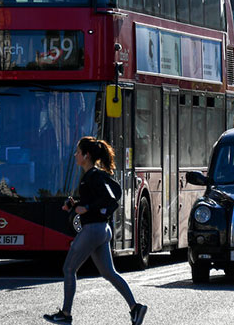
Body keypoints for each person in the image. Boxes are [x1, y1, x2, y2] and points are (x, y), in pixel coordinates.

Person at [44, 137, 147, 325]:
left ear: (86, 155)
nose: (75, 155)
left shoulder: (94, 176)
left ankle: (65, 314)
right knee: (109, 273)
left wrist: (88, 207)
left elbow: (111, 198)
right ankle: (135, 307)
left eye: (77, 152)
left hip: (93, 230)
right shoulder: (90, 177)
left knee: (68, 268)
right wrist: (76, 205)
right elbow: (99, 198)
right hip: (100, 230)